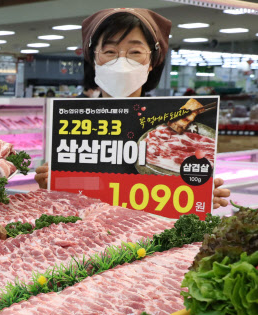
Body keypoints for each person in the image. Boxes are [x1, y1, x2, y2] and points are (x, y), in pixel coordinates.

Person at [34, 8, 231, 209]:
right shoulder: (67, 119)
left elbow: (177, 192)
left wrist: (200, 194)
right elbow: (75, 190)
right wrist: (49, 185)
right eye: (109, 52)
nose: (121, 62)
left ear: (152, 61)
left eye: (135, 52)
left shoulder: (172, 122)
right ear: (94, 59)